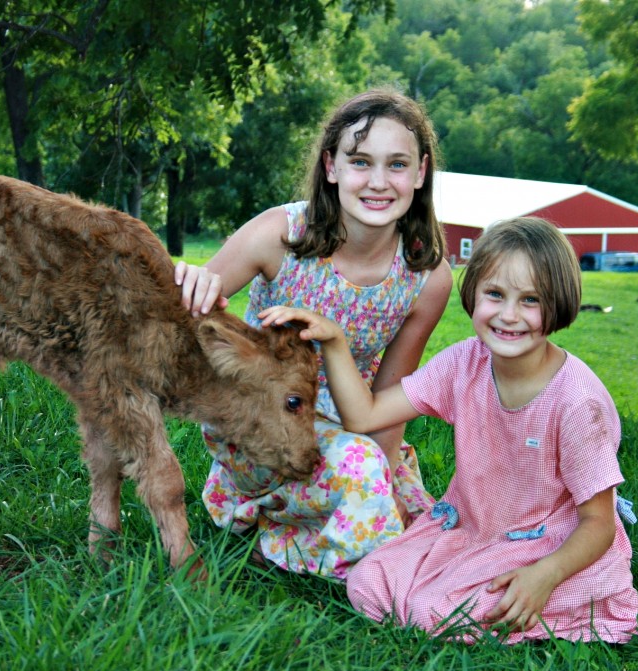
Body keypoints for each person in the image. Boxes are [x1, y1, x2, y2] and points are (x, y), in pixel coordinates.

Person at [259, 217, 638, 643]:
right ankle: (458, 587)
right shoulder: (465, 361)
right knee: (367, 582)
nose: (508, 316)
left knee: (434, 612)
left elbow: (598, 521)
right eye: (495, 294)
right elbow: (366, 415)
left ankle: (579, 605)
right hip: (471, 528)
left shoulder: (578, 402)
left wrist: (544, 575)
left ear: (559, 303)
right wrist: (334, 341)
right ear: (474, 294)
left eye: (531, 300)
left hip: (548, 546)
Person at [174, 88, 454, 578]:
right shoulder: (281, 235)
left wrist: (381, 476)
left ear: (421, 173)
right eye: (360, 161)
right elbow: (194, 311)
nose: (378, 182)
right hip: (262, 422)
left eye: (397, 165)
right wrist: (191, 282)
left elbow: (390, 398)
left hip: (350, 423)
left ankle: (280, 538)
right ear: (331, 166)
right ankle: (283, 526)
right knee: (366, 499)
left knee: (409, 518)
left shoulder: (426, 277)